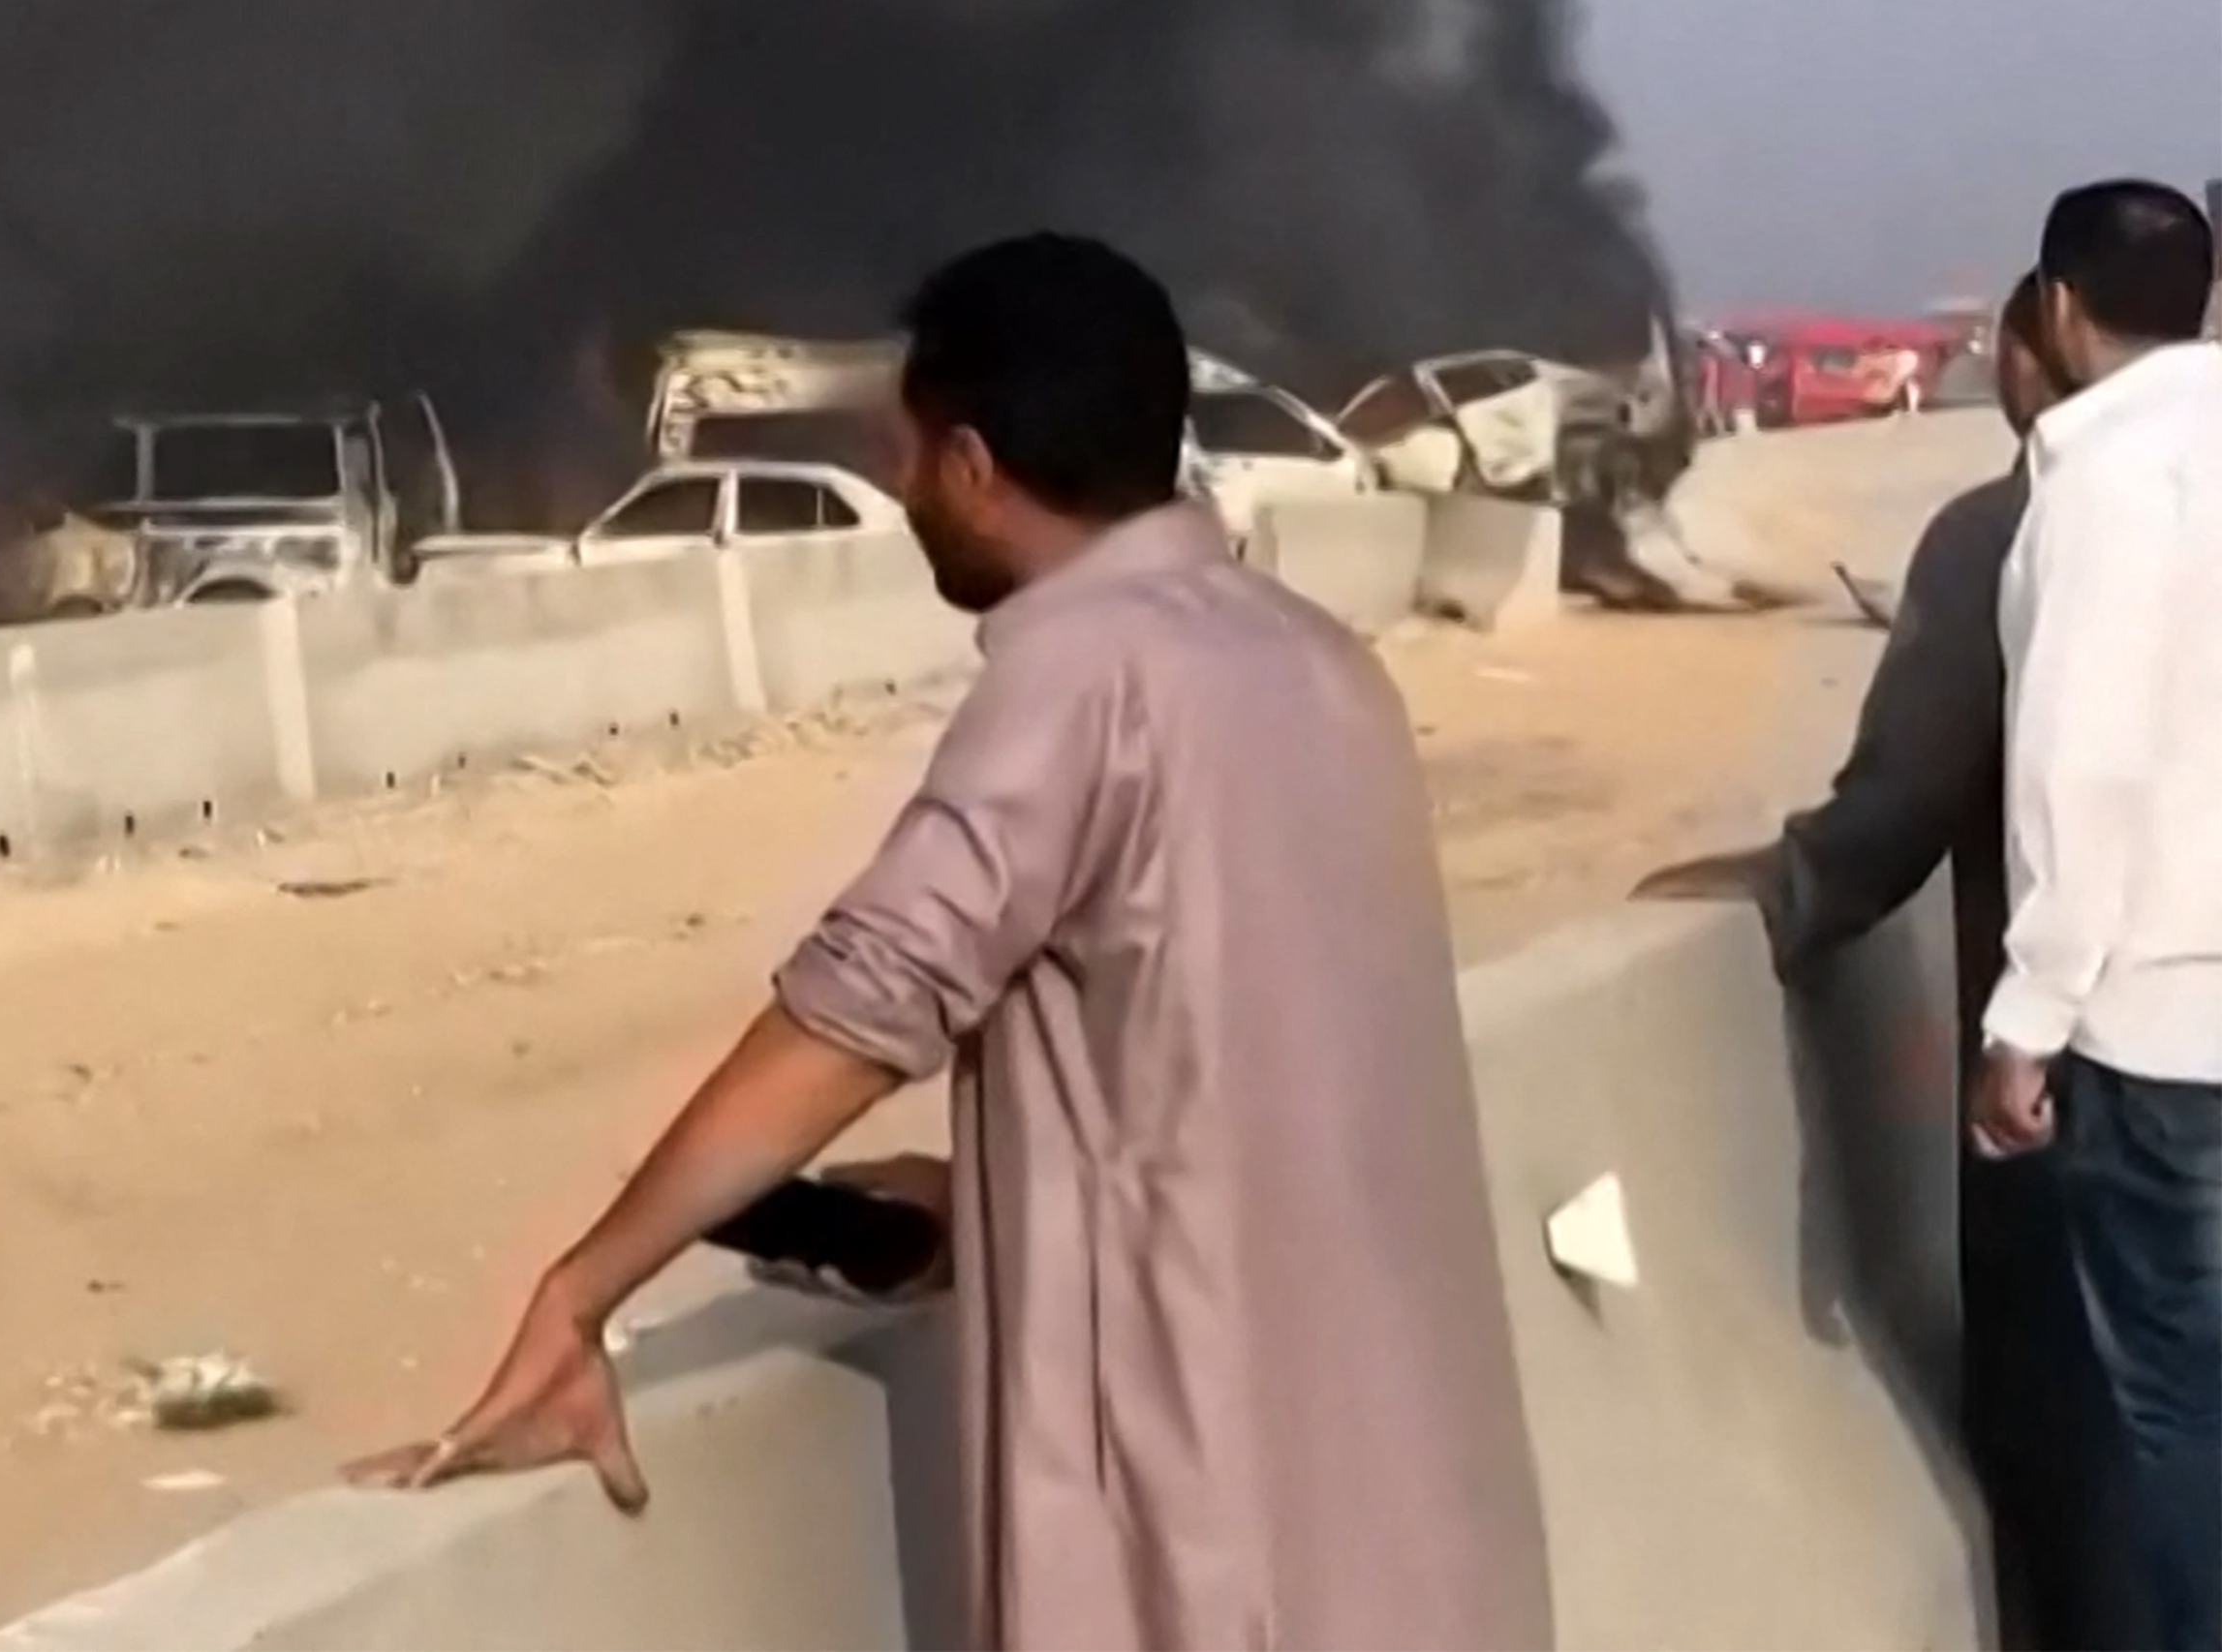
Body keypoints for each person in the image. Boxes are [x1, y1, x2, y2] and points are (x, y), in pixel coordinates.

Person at [357, 233, 1548, 1650]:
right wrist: (993, 1191)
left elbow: (856, 1011)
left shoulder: (1081, 675)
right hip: (1423, 1537)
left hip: (1220, 1550)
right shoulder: (1318, 662)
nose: (910, 493)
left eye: (912, 457)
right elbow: (1238, 1065)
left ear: (975, 465)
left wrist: (580, 1292)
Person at [1643, 271, 2141, 1649]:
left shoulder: (2013, 526)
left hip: (2082, 1085)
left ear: (2051, 336)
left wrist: (1786, 891)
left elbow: (1903, 798)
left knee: (2081, 1462)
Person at [1966, 177, 2222, 1649]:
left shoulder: (2109, 484)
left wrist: (2025, 1023)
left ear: (2058, 308)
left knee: (2167, 1427)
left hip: (2158, 1037)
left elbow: (2084, 762)